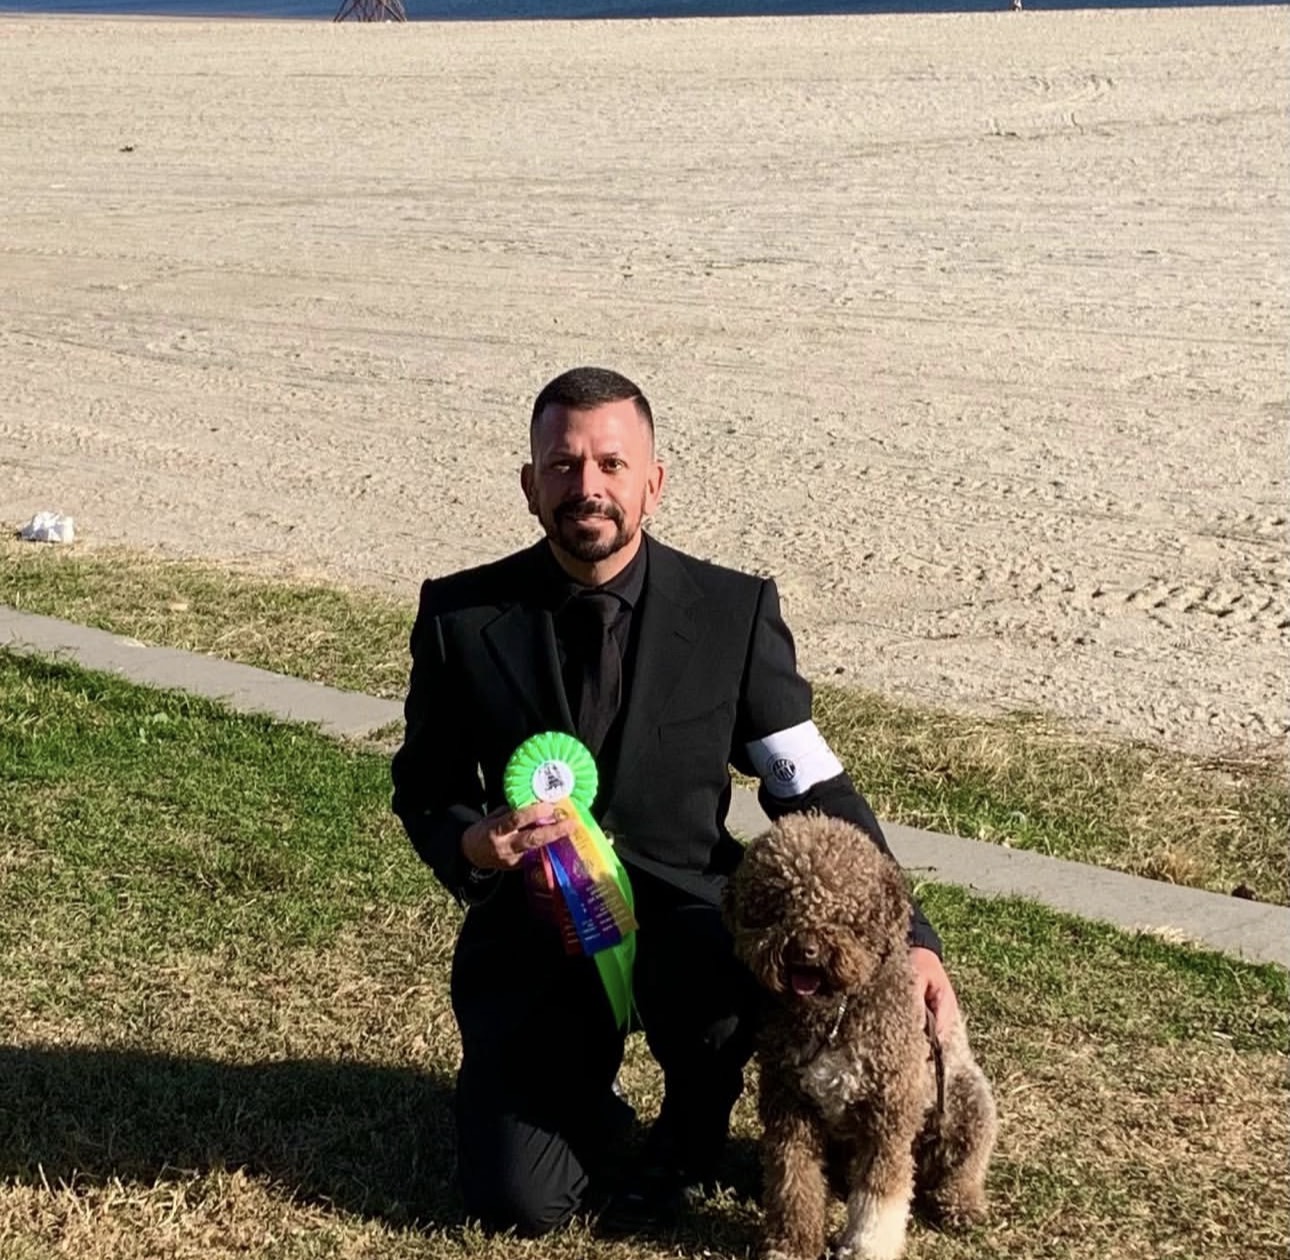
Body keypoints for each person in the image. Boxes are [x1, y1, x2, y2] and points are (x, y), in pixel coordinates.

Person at [391, 366, 959, 1237]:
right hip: (537, 928)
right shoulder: (460, 617)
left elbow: (808, 782)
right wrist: (474, 846)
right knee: (520, 1203)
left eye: (612, 465)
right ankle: (590, 1111)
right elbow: (425, 787)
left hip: (696, 927)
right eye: (563, 465)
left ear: (653, 482)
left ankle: (694, 1129)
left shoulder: (734, 612)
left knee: (725, 1005)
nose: (588, 487)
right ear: (529, 484)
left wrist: (913, 939)